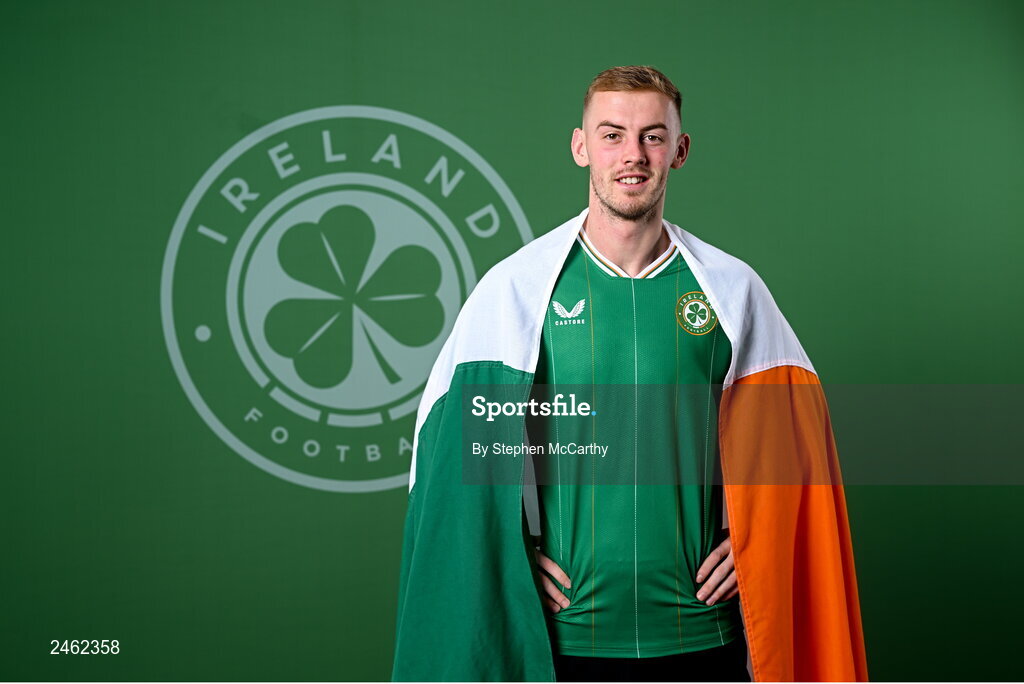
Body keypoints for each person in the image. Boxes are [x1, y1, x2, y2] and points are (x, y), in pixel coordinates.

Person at [392, 66, 868, 683]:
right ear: (581, 146)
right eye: (612, 134)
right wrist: (505, 555)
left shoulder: (732, 290)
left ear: (680, 150)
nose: (633, 155)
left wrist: (761, 537)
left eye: (653, 136)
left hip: (704, 632)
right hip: (566, 639)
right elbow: (455, 447)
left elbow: (796, 445)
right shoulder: (516, 289)